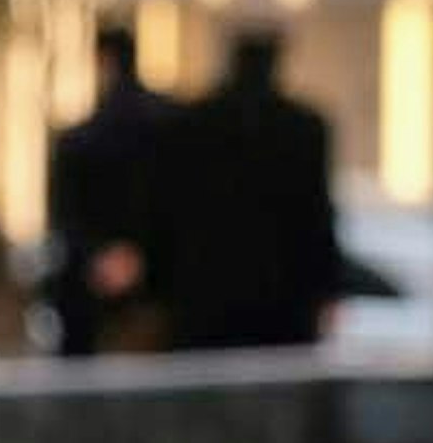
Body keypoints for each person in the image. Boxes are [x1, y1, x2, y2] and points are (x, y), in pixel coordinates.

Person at [159, 31, 343, 352]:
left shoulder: (190, 124)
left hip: (206, 297)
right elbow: (317, 216)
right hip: (283, 302)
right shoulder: (303, 129)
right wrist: (326, 289)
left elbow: (168, 215)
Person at [46, 23, 175, 357]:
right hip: (157, 293)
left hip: (94, 294)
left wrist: (100, 256)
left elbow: (65, 217)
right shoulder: (171, 126)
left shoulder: (79, 140)